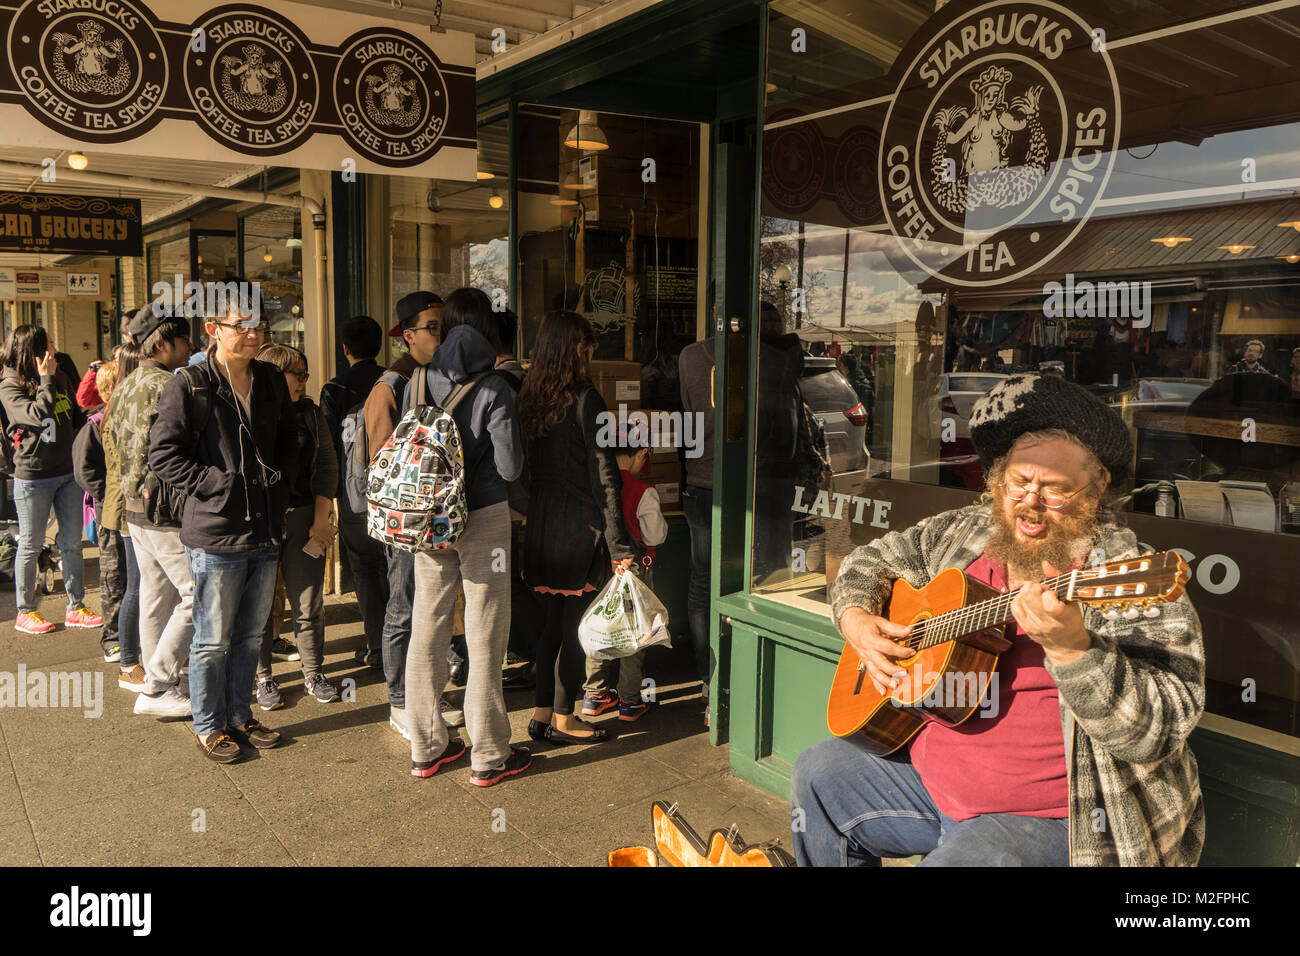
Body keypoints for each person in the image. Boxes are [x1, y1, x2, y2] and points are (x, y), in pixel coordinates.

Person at [791, 374, 1205, 866]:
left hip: (1058, 820)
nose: (1030, 503)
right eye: (1020, 483)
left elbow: (1159, 730)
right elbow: (869, 561)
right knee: (818, 774)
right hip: (930, 784)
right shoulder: (960, 532)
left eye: (1055, 489)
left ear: (1095, 494)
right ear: (996, 481)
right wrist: (856, 618)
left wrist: (1076, 652)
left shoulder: (1126, 575)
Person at [149, 305, 298, 764]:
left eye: (259, 327)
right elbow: (164, 455)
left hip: (266, 528)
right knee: (212, 639)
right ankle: (208, 725)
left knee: (252, 634)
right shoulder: (189, 384)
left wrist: (283, 487)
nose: (253, 335)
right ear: (213, 330)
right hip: (216, 532)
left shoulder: (270, 379)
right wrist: (218, 484)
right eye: (242, 327)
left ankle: (239, 715)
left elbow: (291, 440)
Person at [404, 287, 530, 784]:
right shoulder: (494, 387)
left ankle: (427, 746)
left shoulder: (416, 380)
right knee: (485, 634)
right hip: (484, 518)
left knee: (427, 627)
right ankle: (489, 754)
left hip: (426, 521)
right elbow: (510, 464)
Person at [517, 310, 636, 744]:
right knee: (575, 630)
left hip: (543, 525)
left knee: (553, 626)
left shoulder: (530, 398)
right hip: (579, 530)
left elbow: (522, 473)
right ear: (577, 350)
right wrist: (620, 544)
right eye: (587, 348)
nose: (590, 356)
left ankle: (541, 713)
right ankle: (565, 719)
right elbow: (605, 477)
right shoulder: (589, 401)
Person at [363, 290, 461, 739]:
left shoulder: (439, 377)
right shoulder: (392, 386)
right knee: (403, 607)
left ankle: (427, 693)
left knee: (431, 608)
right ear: (407, 336)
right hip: (406, 522)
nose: (442, 334)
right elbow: (384, 468)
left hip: (436, 518)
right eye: (433, 327)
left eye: (444, 325)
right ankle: (400, 701)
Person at [109, 306, 195, 719]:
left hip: (133, 508)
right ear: (161, 344)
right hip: (163, 509)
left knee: (155, 598)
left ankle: (159, 683)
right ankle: (160, 684)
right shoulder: (169, 385)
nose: (191, 346)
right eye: (184, 340)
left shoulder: (125, 384)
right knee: (198, 595)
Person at [252, 344, 339, 707]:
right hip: (260, 521)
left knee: (308, 601)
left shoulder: (310, 413)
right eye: (296, 374)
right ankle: (262, 678)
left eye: (305, 374)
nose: (304, 381)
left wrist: (322, 519)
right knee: (257, 606)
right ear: (273, 374)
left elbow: (327, 467)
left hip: (305, 516)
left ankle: (313, 671)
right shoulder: (251, 413)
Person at [0, 324, 101, 634]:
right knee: (30, 544)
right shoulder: (8, 385)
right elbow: (37, 415)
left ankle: (76, 606)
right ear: (33, 351)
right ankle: (26, 611)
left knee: (71, 543)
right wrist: (46, 379)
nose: (54, 350)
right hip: (33, 476)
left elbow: (72, 416)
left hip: (67, 472)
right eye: (48, 345)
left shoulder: (58, 374)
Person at [581, 431, 666, 722]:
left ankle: (593, 695)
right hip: (636, 572)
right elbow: (656, 534)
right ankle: (629, 701)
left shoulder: (594, 487)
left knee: (601, 628)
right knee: (636, 633)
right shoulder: (644, 491)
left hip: (602, 568)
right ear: (641, 453)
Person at [320, 315, 388, 670]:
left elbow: (328, 447)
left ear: (345, 349)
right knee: (393, 569)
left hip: (354, 495)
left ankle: (376, 645)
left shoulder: (334, 389)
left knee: (363, 569)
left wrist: (329, 498)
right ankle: (398, 644)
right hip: (395, 496)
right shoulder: (396, 381)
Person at [493, 308, 538, 692]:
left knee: (511, 583)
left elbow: (505, 457)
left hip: (508, 503)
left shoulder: (496, 386)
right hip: (540, 499)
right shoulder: (535, 380)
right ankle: (541, 658)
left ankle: (539, 656)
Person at [73, 361, 129, 665]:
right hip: (108, 514)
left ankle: (129, 635)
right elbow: (85, 471)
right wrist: (107, 495)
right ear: (107, 391)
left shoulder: (129, 420)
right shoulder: (94, 424)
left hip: (132, 512)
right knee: (114, 576)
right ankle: (112, 638)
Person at [678, 332, 716, 722]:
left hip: (700, 479)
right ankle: (716, 680)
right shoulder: (759, 355)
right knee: (754, 580)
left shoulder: (690, 356)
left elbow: (689, 420)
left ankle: (709, 680)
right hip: (743, 483)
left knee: (702, 582)